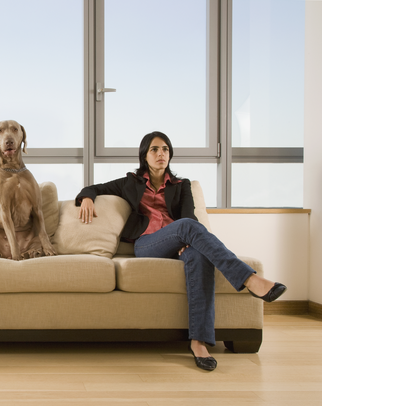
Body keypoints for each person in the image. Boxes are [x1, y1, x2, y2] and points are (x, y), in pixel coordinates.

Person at [76, 131, 286, 371]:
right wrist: (87, 199)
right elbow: (92, 187)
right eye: (154, 149)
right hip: (148, 244)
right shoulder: (130, 182)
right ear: (145, 155)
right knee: (187, 227)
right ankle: (249, 278)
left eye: (165, 149)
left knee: (199, 255)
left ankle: (199, 343)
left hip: (181, 243)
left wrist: (188, 240)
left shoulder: (181, 185)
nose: (160, 154)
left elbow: (188, 217)